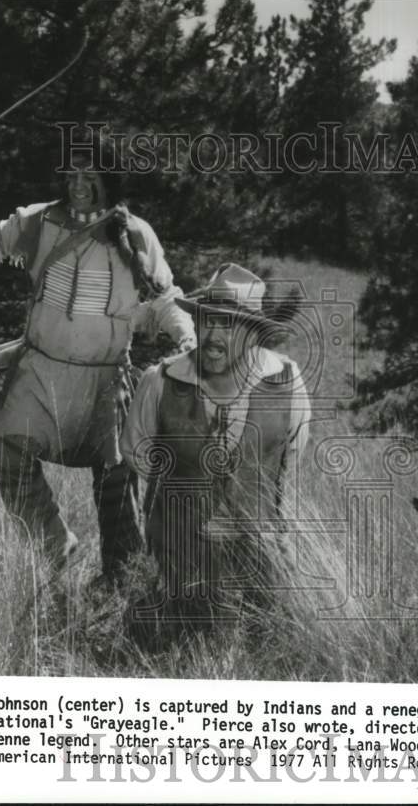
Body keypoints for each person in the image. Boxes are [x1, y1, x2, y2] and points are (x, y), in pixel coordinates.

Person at [0, 137, 195, 575]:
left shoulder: (134, 233)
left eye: (89, 176)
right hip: (40, 373)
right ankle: (55, 544)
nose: (78, 185)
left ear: (108, 179)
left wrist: (187, 339)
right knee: (6, 454)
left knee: (115, 481)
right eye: (72, 175)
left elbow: (166, 297)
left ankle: (121, 577)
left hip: (106, 378)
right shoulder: (40, 220)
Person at [121, 263, 311, 634]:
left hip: (258, 578)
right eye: (208, 320)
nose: (213, 335)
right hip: (176, 572)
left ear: (254, 332)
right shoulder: (158, 382)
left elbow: (287, 457)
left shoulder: (288, 383)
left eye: (230, 324)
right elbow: (138, 456)